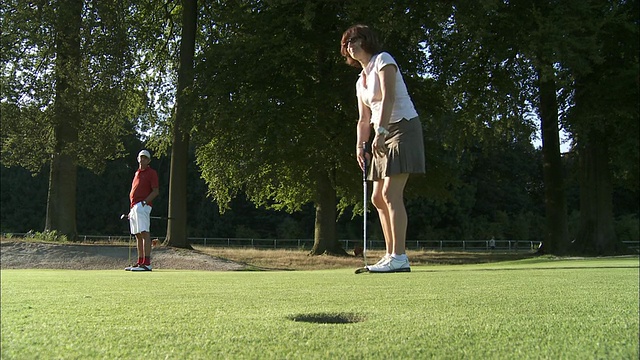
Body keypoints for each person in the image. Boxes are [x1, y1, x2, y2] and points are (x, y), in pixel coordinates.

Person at [341, 25, 426, 273]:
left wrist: (381, 132)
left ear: (366, 40)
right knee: (377, 198)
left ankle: (400, 256)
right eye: (346, 44)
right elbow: (363, 118)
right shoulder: (360, 81)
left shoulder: (383, 60)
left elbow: (388, 98)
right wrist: (360, 146)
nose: (350, 46)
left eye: (353, 40)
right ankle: (390, 255)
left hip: (402, 127)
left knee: (390, 193)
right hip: (381, 133)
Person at [125, 149, 159, 271]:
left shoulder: (151, 173)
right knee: (137, 235)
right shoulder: (136, 173)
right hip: (134, 207)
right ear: (138, 158)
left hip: (142, 205)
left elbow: (155, 191)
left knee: (144, 233)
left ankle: (147, 263)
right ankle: (140, 262)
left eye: (145, 158)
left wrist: (144, 203)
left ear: (149, 160)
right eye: (141, 157)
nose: (142, 159)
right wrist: (132, 209)